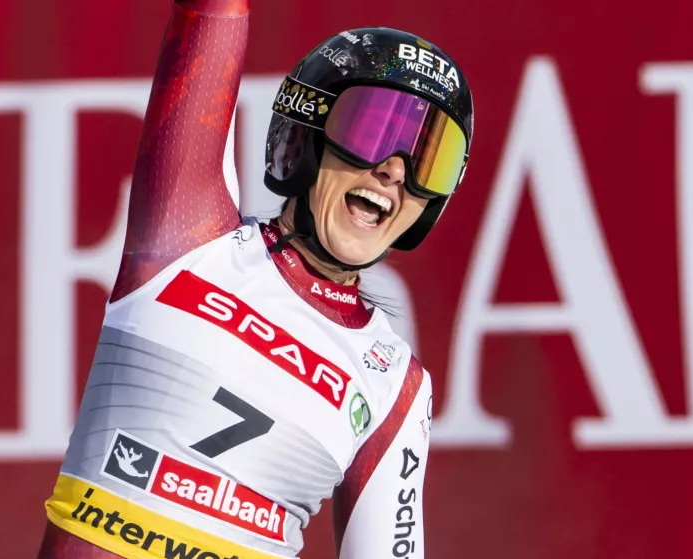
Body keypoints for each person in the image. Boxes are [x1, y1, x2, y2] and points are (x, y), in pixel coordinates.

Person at [37, 0, 473, 557]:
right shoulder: (188, 239)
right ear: (306, 132)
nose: (393, 170)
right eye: (370, 130)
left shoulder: (396, 388)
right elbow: (212, 15)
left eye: (428, 161)